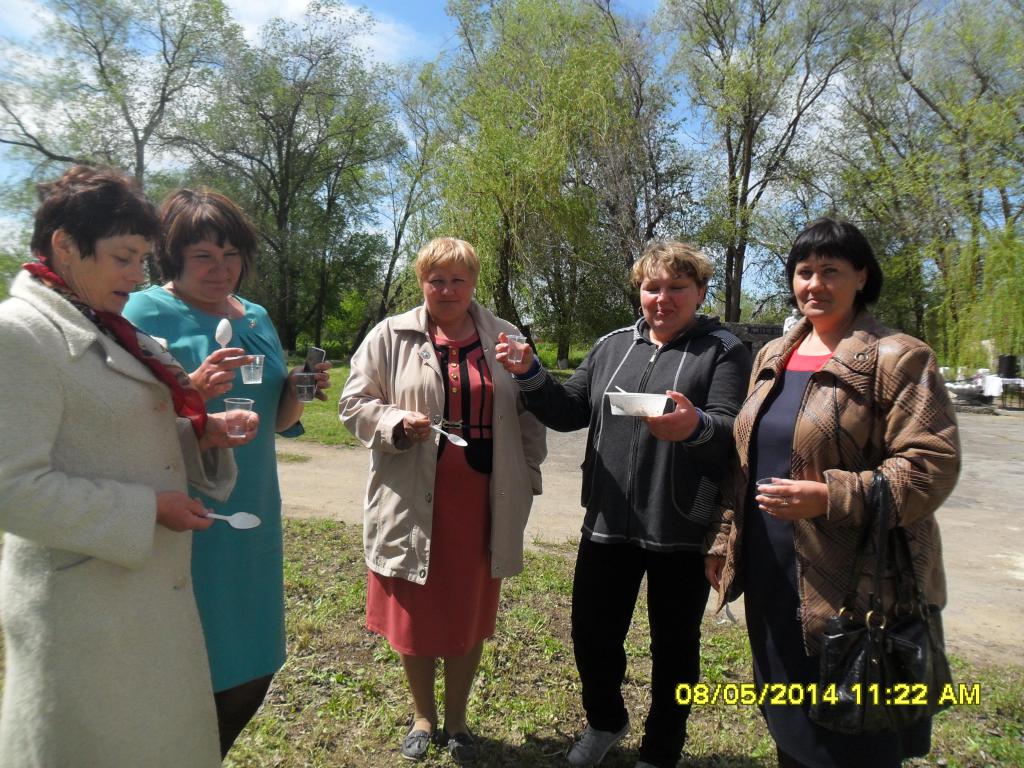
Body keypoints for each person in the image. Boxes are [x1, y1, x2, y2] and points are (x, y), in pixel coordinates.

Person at [0, 166, 258, 766]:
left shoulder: (108, 327)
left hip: (136, 599)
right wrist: (148, 510)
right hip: (83, 611)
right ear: (65, 246)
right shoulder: (19, 335)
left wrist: (200, 434)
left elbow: (119, 435)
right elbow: (12, 487)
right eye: (123, 257)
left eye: (142, 259)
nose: (137, 275)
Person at [705, 217, 960, 768]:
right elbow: (745, 460)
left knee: (852, 732)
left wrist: (831, 496)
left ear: (861, 276)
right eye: (804, 272)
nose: (814, 284)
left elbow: (931, 466)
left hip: (855, 585)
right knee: (789, 720)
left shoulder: (898, 357)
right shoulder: (775, 354)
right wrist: (725, 540)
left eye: (831, 271)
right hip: (773, 574)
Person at [498, 242, 752, 768]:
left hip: (682, 523)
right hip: (608, 519)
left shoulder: (723, 350)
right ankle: (606, 721)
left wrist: (695, 426)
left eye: (677, 287)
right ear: (640, 292)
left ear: (700, 292)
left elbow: (732, 429)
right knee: (591, 633)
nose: (663, 298)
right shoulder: (612, 345)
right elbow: (571, 410)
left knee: (674, 648)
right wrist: (531, 374)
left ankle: (661, 750)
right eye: (652, 287)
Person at [122, 187, 331, 756]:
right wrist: (191, 393)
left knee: (253, 665)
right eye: (204, 257)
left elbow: (279, 419)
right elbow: (122, 419)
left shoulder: (255, 316)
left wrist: (299, 390)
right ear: (173, 258)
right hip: (185, 513)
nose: (221, 269)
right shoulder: (141, 313)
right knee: (189, 664)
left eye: (231, 254)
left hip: (254, 510)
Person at [339, 237, 546, 762]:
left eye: (458, 279)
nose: (448, 290)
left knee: (468, 613)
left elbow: (530, 414)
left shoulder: (506, 337)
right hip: (410, 496)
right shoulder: (390, 335)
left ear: (474, 282)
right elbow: (353, 404)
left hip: (481, 502)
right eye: (437, 280)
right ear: (422, 283)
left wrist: (530, 474)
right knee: (416, 615)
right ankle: (422, 717)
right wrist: (393, 421)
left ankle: (457, 721)